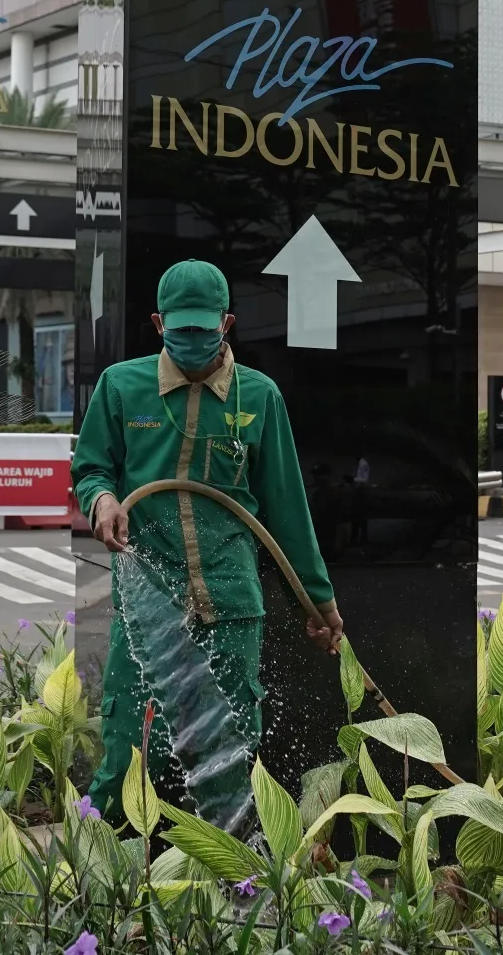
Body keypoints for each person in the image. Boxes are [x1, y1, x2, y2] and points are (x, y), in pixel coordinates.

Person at [72, 259, 344, 810]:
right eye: (181, 328)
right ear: (157, 324)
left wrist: (318, 602)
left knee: (231, 746)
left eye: (204, 327)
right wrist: (101, 500)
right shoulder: (121, 386)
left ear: (227, 323)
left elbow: (286, 510)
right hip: (149, 598)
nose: (193, 339)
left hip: (230, 597)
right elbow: (91, 467)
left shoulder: (258, 396)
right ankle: (102, 866)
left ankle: (228, 873)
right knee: (128, 743)